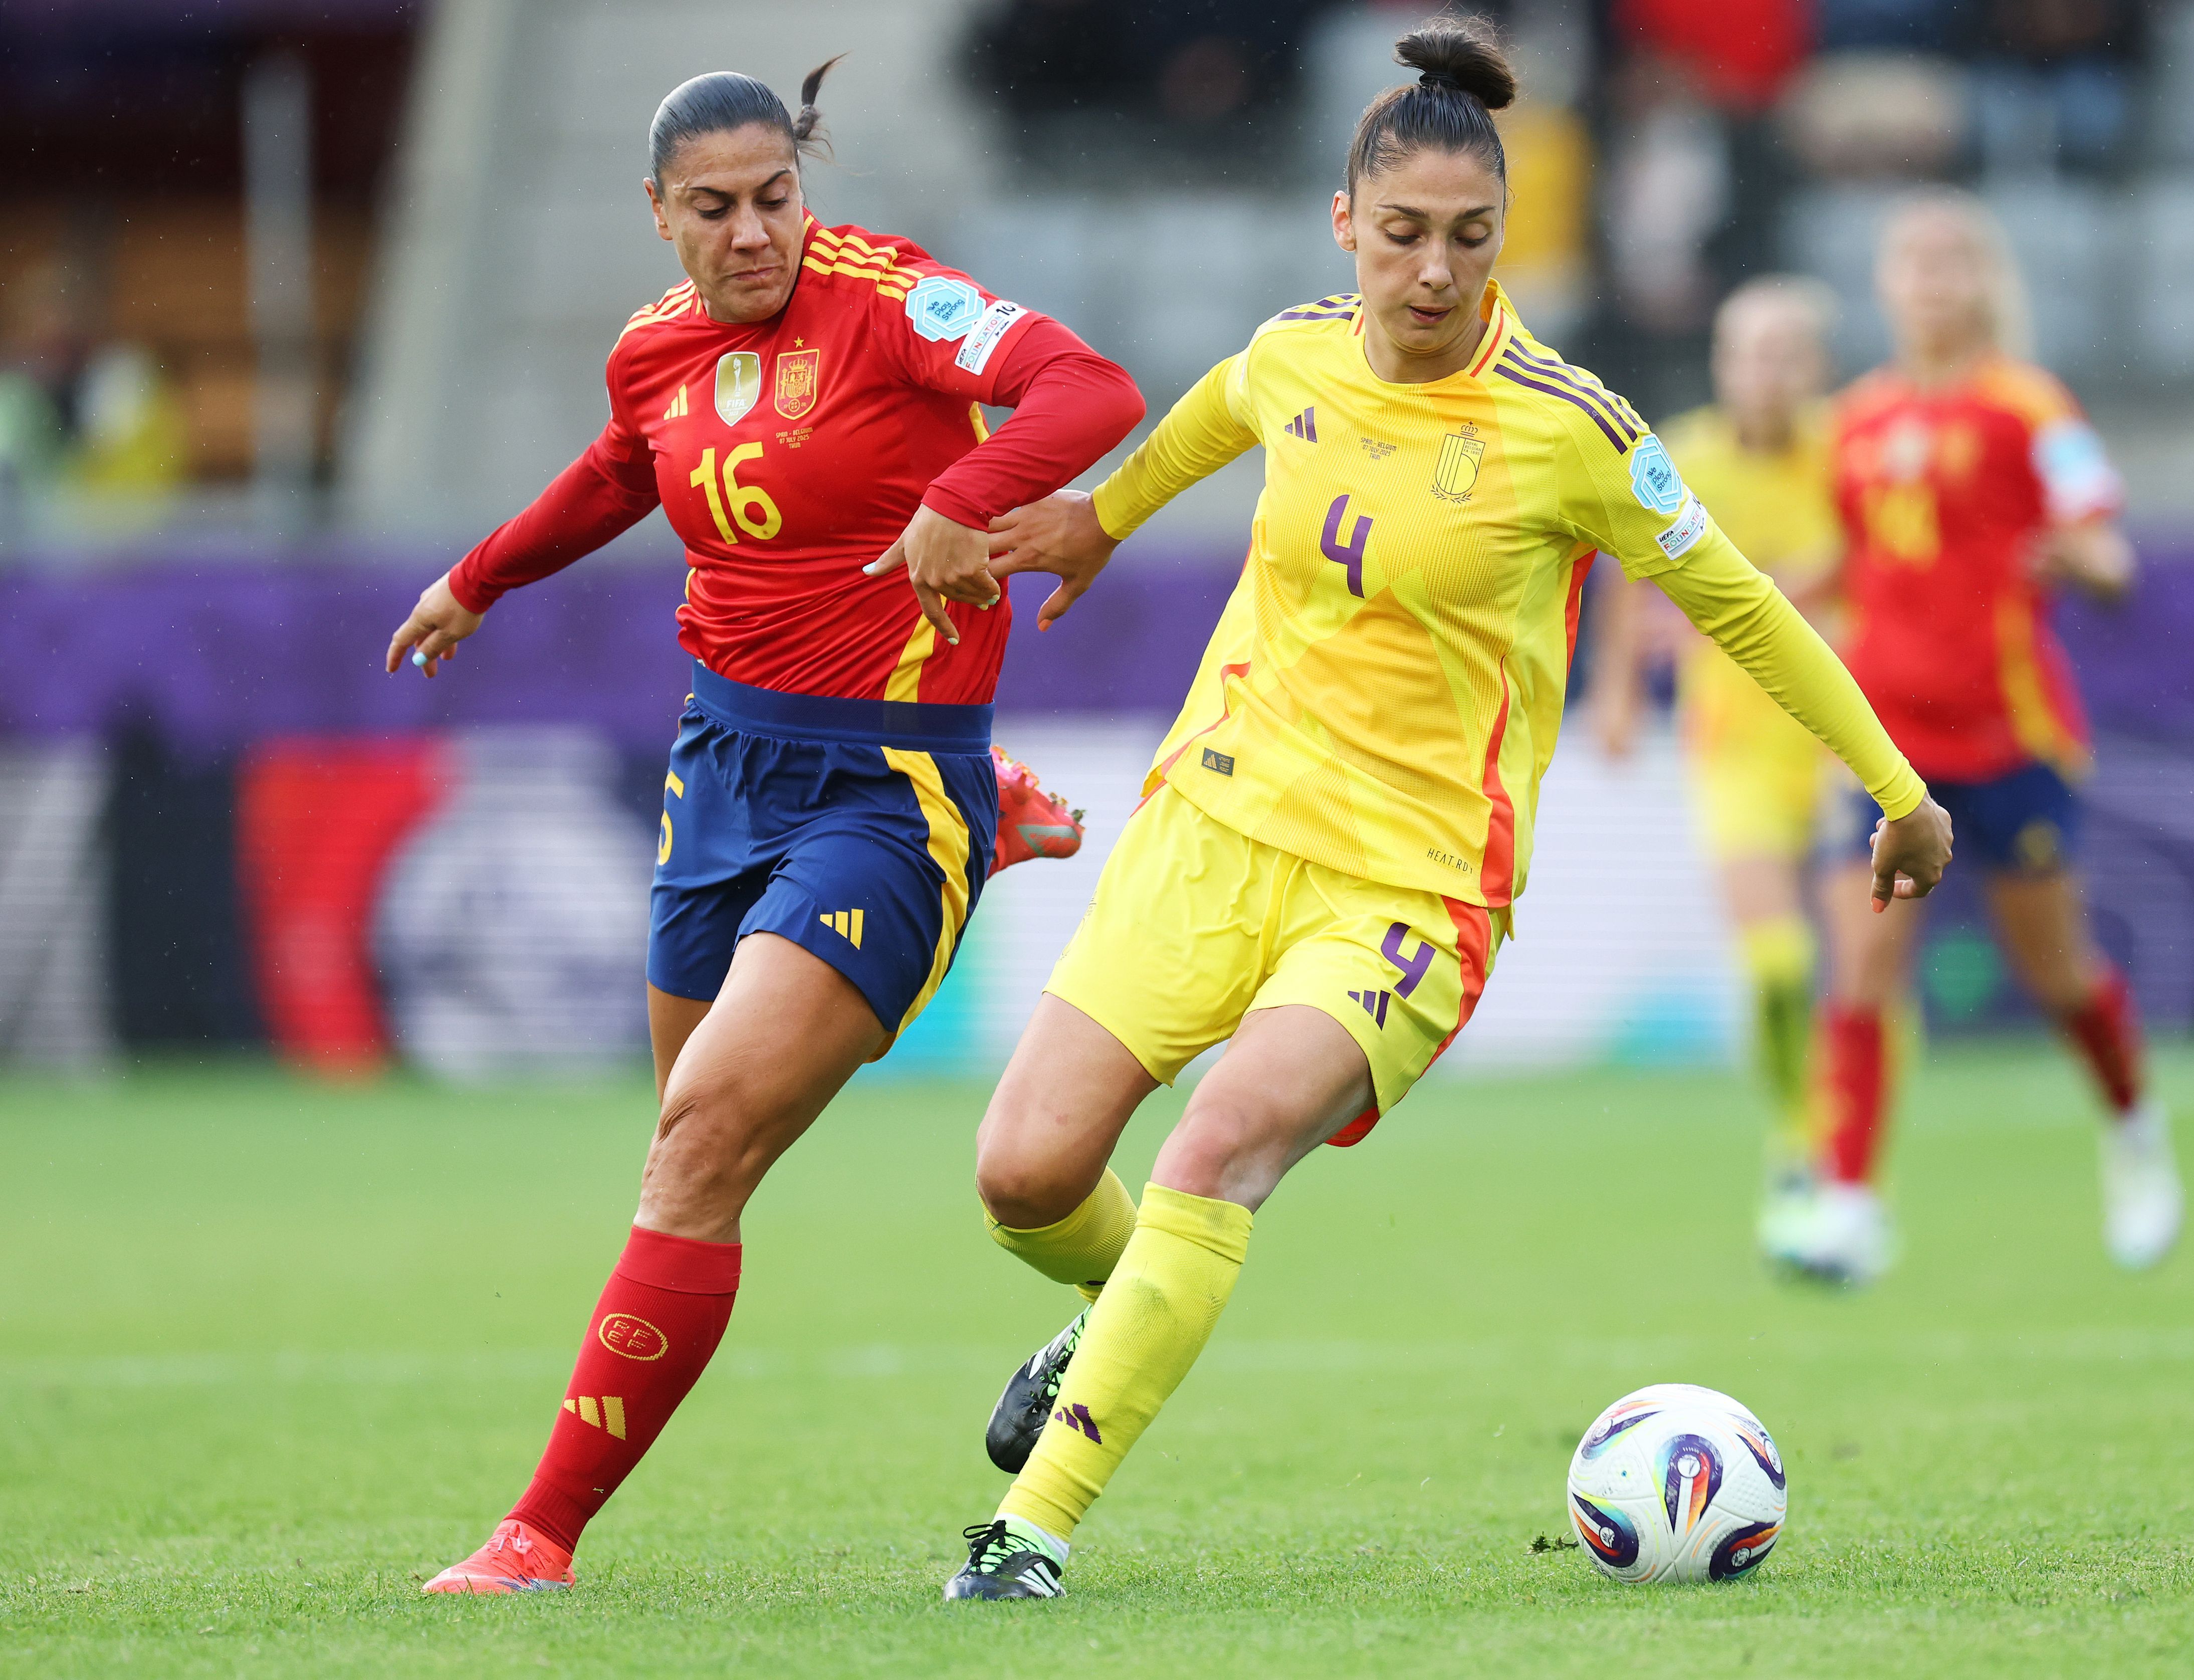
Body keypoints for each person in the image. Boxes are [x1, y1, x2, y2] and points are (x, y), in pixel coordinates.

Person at [936, 18, 1953, 1600]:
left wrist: (1894, 788)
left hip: (1409, 888)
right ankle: (1105, 1312)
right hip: (1214, 824)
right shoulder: (1293, 350)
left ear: (1504, 237)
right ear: (1344, 225)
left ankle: (1028, 1533)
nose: (1431, 270)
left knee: (1216, 1152)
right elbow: (1217, 407)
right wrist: (1101, 519)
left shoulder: (1570, 427)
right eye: (1401, 234)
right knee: (1022, 1174)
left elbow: (1744, 608)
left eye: (1468, 239)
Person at [387, 61, 1144, 1593]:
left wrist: (971, 490)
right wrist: (479, 578)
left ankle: (538, 1537)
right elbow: (620, 472)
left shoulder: (894, 301)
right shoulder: (652, 348)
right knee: (686, 1139)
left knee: (699, 1153)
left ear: (808, 185)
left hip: (883, 786)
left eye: (776, 198)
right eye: (716, 208)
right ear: (658, 214)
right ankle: (997, 854)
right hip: (716, 771)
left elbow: (1092, 390)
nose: (754, 234)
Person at [1780, 190, 2181, 1287]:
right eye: (1913, 261)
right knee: (1861, 966)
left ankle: (2137, 1135)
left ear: (1985, 281)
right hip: (1889, 744)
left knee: (2057, 970)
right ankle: (1851, 1204)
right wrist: (1754, 600)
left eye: (1953, 261)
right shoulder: (1853, 421)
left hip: (2010, 736)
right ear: (1886, 283)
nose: (1932, 280)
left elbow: (2108, 547)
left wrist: (2087, 561)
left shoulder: (2028, 405)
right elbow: (1859, 559)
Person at [1585, 274, 1854, 1257]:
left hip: (1839, 748)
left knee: (1861, 972)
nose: (1765, 373)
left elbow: (1885, 555)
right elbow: (1627, 571)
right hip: (1733, 745)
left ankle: (1856, 1164)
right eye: (1747, 352)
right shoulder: (1684, 457)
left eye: (1786, 353)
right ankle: (1798, 1139)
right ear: (1721, 364)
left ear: (1818, 370)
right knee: (1780, 963)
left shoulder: (1847, 457)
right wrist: (1615, 692)